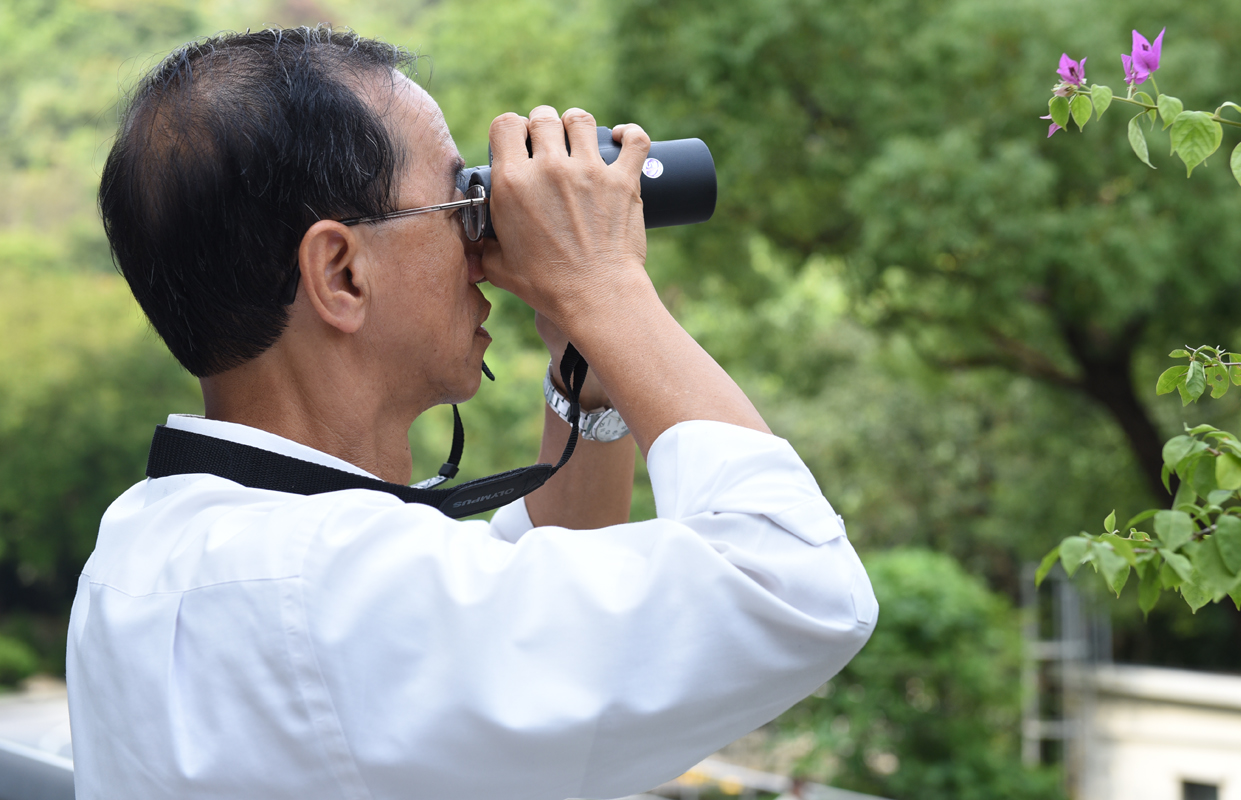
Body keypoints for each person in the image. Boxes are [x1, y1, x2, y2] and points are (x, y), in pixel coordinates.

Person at [67, 26, 875, 800]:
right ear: (341, 273)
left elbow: (527, 606)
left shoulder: (149, 547)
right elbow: (798, 586)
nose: (484, 243)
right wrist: (607, 287)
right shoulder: (331, 593)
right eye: (461, 202)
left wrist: (587, 379)